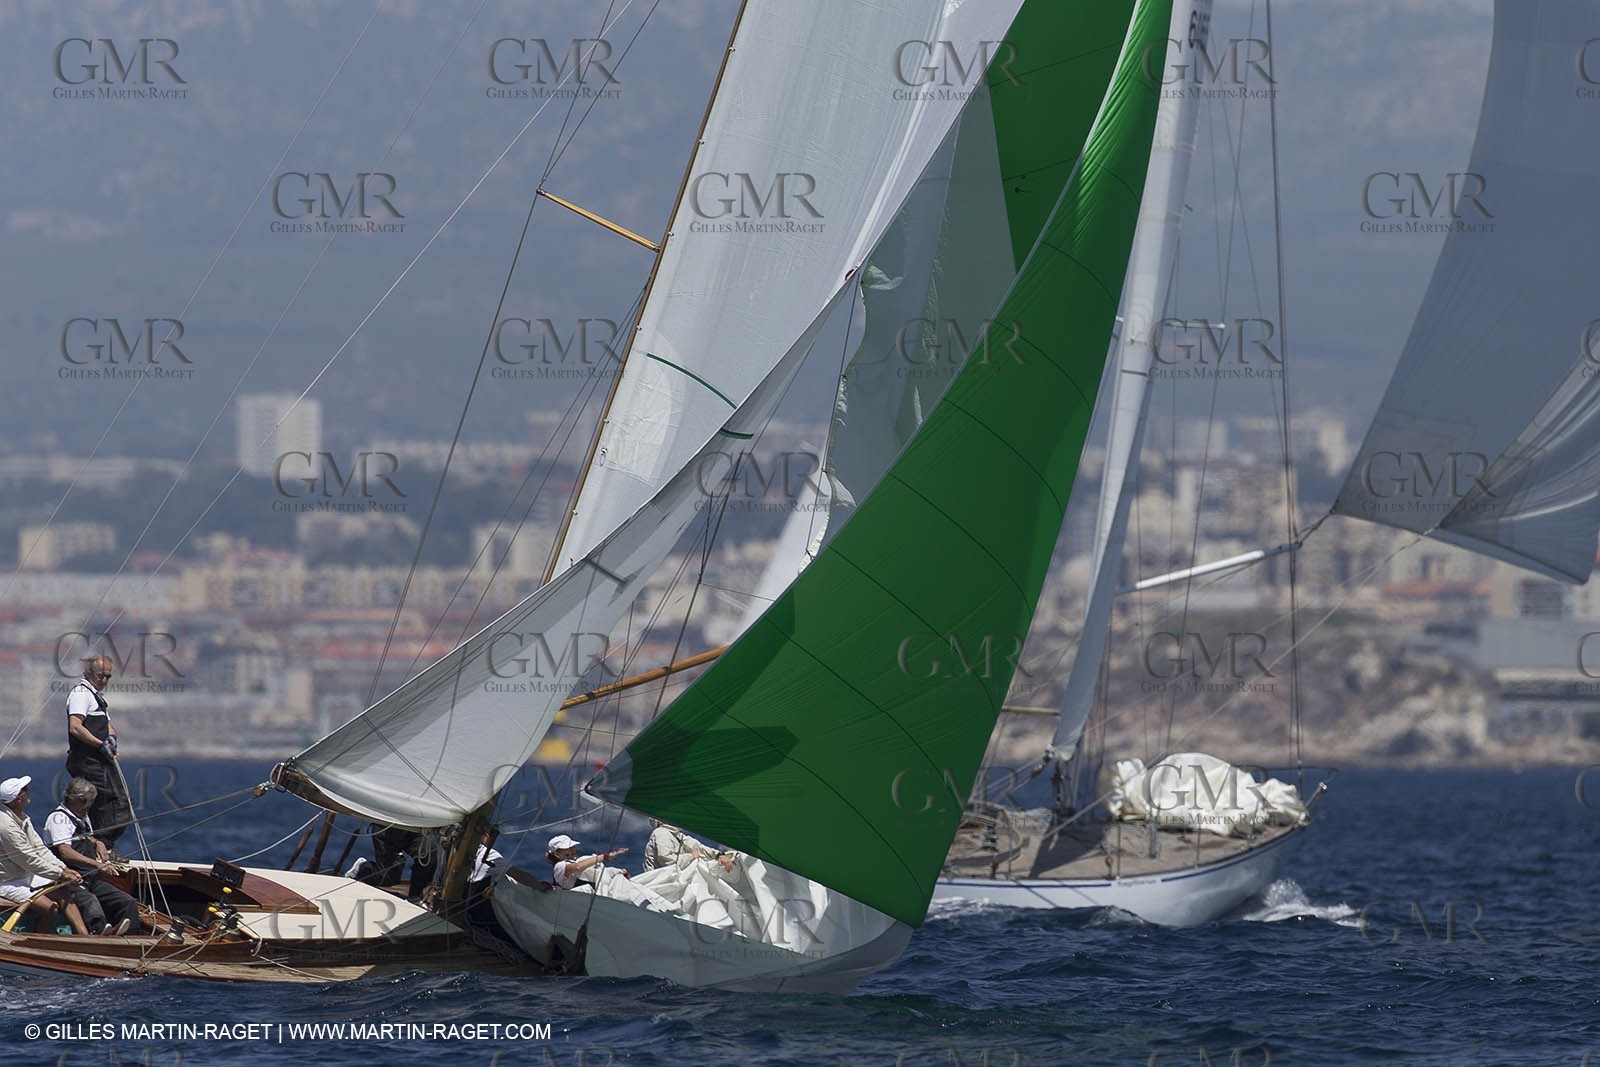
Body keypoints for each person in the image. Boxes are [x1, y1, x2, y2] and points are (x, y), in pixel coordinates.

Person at [40, 778, 141, 935]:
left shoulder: (81, 816)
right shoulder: (59, 820)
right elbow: (64, 850)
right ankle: (98, 935)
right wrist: (97, 864)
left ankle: (132, 938)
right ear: (73, 800)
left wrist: (98, 843)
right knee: (90, 902)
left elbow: (85, 837)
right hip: (69, 880)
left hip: (90, 879)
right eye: (86, 803)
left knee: (126, 902)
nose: (89, 807)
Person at [0, 776, 88, 935]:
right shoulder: (6, 826)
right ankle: (39, 943)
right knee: (50, 908)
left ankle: (86, 937)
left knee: (63, 894)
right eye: (25, 790)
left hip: (23, 874)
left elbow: (40, 849)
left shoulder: (22, 817)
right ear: (17, 799)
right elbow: (28, 859)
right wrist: (60, 874)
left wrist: (64, 869)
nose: (28, 792)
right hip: (7, 881)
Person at [65, 656, 133, 850]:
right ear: (88, 674)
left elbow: (107, 725)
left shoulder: (97, 697)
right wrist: (99, 745)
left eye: (108, 676)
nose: (104, 680)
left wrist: (112, 739)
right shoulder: (81, 693)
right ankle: (101, 845)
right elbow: (75, 727)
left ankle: (102, 846)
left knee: (114, 801)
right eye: (101, 675)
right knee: (113, 802)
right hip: (89, 761)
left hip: (101, 760)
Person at [644, 820, 737, 874]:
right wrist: (690, 856)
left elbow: (697, 847)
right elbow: (667, 860)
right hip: (659, 887)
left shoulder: (678, 836)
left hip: (673, 882)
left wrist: (718, 855)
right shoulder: (661, 833)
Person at [546, 834, 626, 890]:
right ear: (556, 854)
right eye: (567, 847)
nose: (572, 849)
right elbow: (577, 867)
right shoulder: (559, 866)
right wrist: (606, 856)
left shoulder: (573, 862)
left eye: (572, 846)